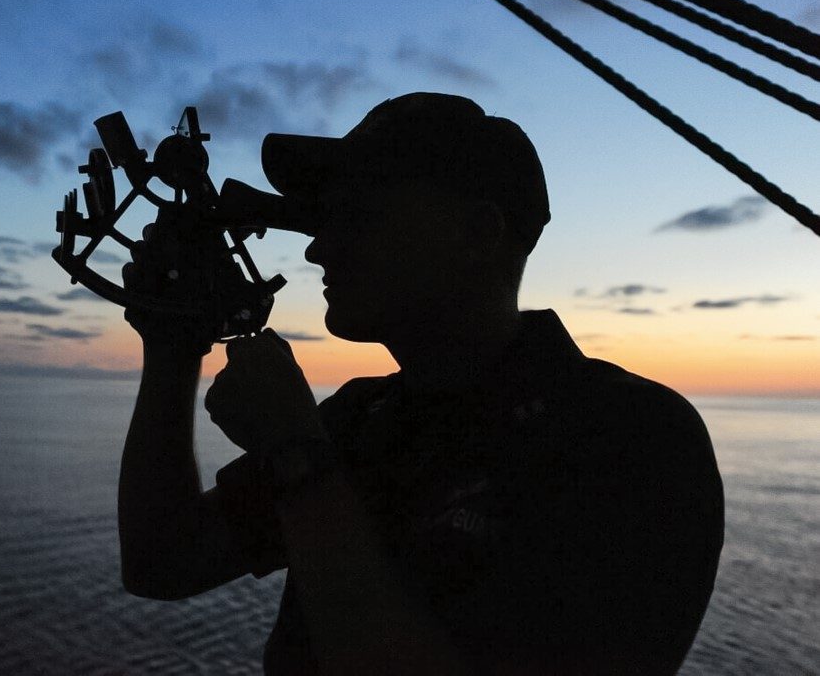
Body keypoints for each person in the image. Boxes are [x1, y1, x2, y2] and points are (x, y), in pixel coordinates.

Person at [118, 92, 724, 674]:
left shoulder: (633, 440)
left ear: (478, 235)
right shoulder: (361, 419)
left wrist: (296, 458)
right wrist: (172, 347)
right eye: (323, 218)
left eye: (358, 215)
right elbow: (163, 561)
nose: (318, 249)